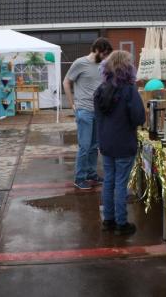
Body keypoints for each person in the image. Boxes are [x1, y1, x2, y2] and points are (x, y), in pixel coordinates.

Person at [94, 51, 145, 236]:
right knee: (120, 183)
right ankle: (121, 223)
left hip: (106, 143)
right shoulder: (129, 90)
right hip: (124, 143)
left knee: (109, 180)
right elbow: (139, 118)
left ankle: (108, 220)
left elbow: (98, 119)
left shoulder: (100, 89)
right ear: (128, 67)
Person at [63, 38, 113, 190]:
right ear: (97, 49)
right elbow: (66, 82)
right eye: (104, 54)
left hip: (99, 111)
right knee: (84, 146)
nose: (105, 57)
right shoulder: (80, 63)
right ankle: (79, 178)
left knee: (94, 146)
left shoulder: (103, 66)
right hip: (84, 110)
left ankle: (91, 174)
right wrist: (72, 104)